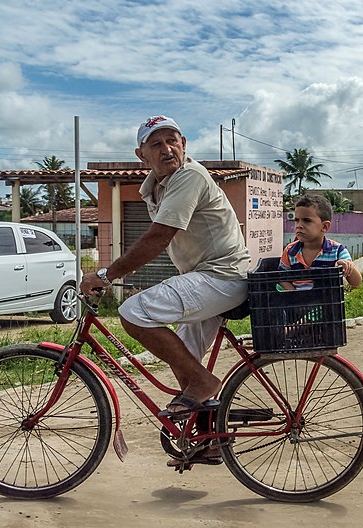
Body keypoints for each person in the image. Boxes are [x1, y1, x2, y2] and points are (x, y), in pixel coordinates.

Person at [80, 116, 250, 444]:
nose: (167, 149)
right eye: (156, 144)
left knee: (133, 312)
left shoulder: (189, 176)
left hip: (222, 276)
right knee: (184, 361)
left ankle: (204, 383)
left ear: (184, 144)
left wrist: (106, 274)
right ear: (141, 155)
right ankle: (210, 441)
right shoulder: (154, 187)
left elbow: (159, 237)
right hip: (206, 277)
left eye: (172, 140)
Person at [279, 194, 362, 288]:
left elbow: (356, 282)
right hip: (299, 302)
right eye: (297, 220)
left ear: (324, 226)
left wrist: (346, 265)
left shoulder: (337, 251)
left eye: (307, 220)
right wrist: (294, 294)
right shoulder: (290, 251)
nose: (299, 225)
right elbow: (282, 277)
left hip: (328, 302)